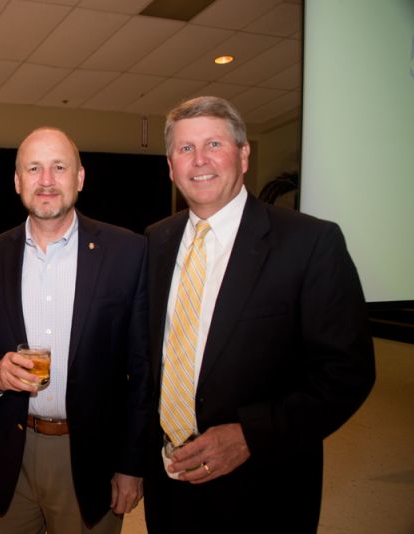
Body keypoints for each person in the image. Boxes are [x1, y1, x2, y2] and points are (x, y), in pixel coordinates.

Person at [143, 96, 376, 533]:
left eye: (214, 144)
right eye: (185, 149)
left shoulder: (309, 243)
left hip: (263, 487)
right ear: (170, 166)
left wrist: (252, 435)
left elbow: (347, 372)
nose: (200, 160)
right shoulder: (155, 241)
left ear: (244, 154)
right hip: (169, 483)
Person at [0, 127, 150, 533]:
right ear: (17, 181)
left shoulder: (128, 252)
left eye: (58, 167)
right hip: (9, 452)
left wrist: (131, 464)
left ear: (79, 178)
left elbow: (142, 369)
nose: (46, 180)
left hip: (90, 456)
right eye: (34, 168)